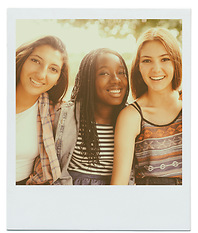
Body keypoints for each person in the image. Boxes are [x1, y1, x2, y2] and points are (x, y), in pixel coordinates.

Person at [111, 28, 182, 185]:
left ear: (176, 61)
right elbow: (119, 185)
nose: (156, 69)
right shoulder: (131, 116)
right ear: (138, 66)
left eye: (165, 59)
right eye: (147, 60)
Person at [54, 48, 129, 185]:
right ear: (88, 79)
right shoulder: (66, 115)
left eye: (121, 72)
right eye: (104, 73)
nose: (116, 79)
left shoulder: (131, 118)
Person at [16, 36, 69, 185]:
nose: (41, 74)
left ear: (58, 78)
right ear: (22, 58)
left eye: (53, 69)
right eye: (36, 61)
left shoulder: (55, 114)